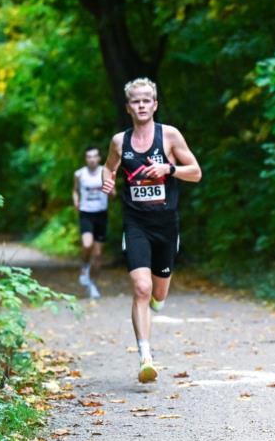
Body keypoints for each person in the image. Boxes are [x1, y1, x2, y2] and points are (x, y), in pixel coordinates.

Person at [101, 78, 202, 383]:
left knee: (158, 292)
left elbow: (196, 172)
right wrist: (108, 181)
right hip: (136, 224)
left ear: (155, 104)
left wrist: (169, 169)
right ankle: (145, 356)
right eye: (136, 101)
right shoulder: (120, 141)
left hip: (166, 226)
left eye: (147, 100)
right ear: (128, 107)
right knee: (141, 288)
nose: (142, 105)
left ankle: (157, 302)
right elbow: (109, 167)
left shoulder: (169, 136)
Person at [74, 145, 112, 299]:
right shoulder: (79, 174)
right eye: (89, 156)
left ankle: (93, 284)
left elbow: (112, 193)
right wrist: (76, 201)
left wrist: (112, 190)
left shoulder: (105, 172)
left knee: (97, 255)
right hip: (86, 213)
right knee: (87, 244)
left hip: (101, 214)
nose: (91, 159)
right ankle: (84, 266)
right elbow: (75, 190)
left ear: (99, 158)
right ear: (86, 159)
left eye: (94, 156)